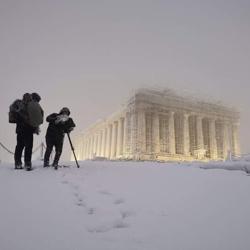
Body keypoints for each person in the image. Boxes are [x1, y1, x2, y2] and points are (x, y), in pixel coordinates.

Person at [11, 93, 43, 170]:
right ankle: (27, 163)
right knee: (28, 147)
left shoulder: (19, 105)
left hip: (20, 130)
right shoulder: (31, 106)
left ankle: (18, 163)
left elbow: (15, 117)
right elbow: (39, 116)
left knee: (19, 146)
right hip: (28, 130)